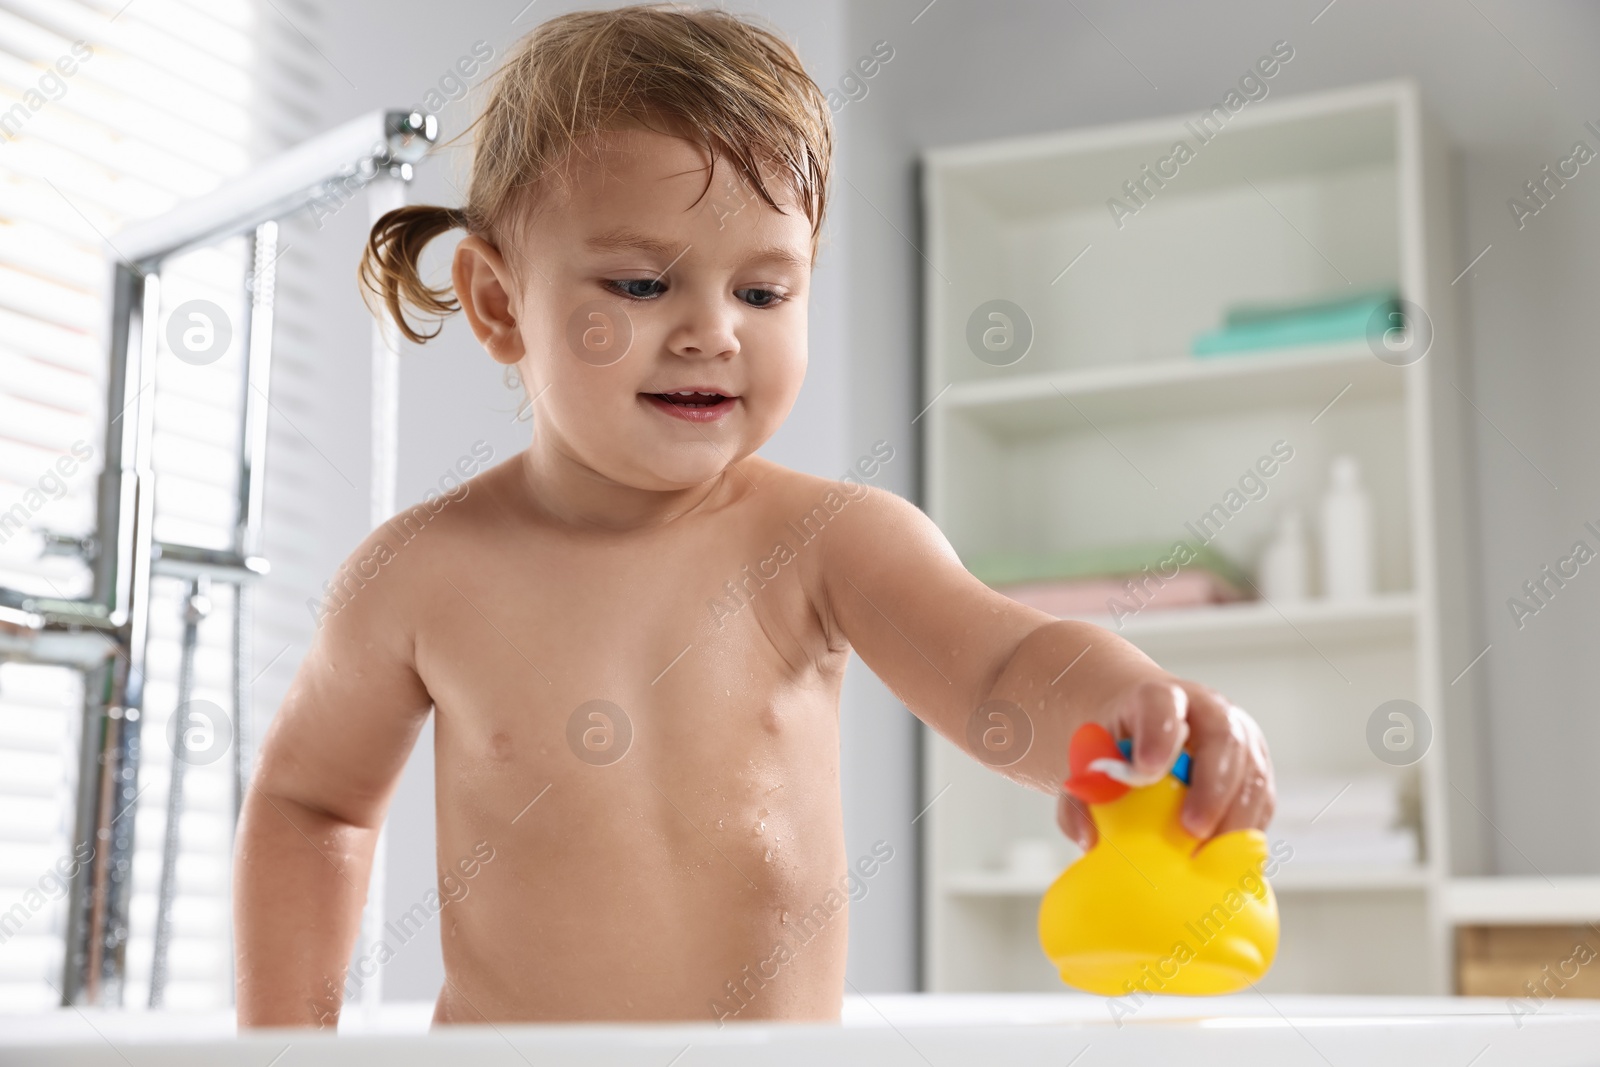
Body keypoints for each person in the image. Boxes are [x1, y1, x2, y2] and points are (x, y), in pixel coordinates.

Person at [232, 2, 1274, 1028]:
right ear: (500, 303)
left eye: (765, 292)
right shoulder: (418, 574)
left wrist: (1131, 705)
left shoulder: (826, 543)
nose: (710, 330)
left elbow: (1002, 669)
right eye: (642, 281)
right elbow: (310, 803)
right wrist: (283, 1053)